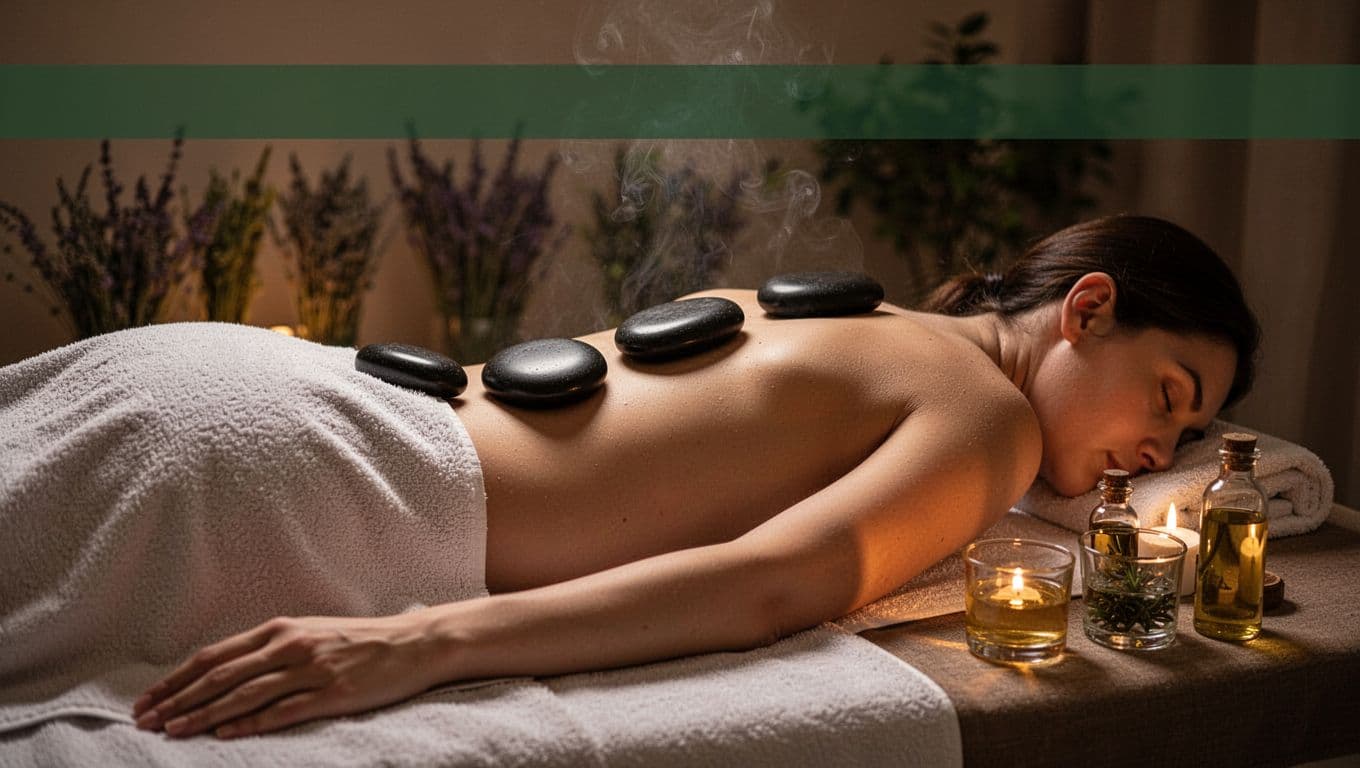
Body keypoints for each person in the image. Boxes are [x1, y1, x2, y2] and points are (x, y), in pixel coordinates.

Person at [128, 214, 1258, 739]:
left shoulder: (862, 316)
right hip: (324, 478)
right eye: (1169, 397)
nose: (1161, 455)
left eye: (1187, 443)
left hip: (257, 395)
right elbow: (771, 586)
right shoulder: (988, 419)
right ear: (1089, 309)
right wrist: (416, 642)